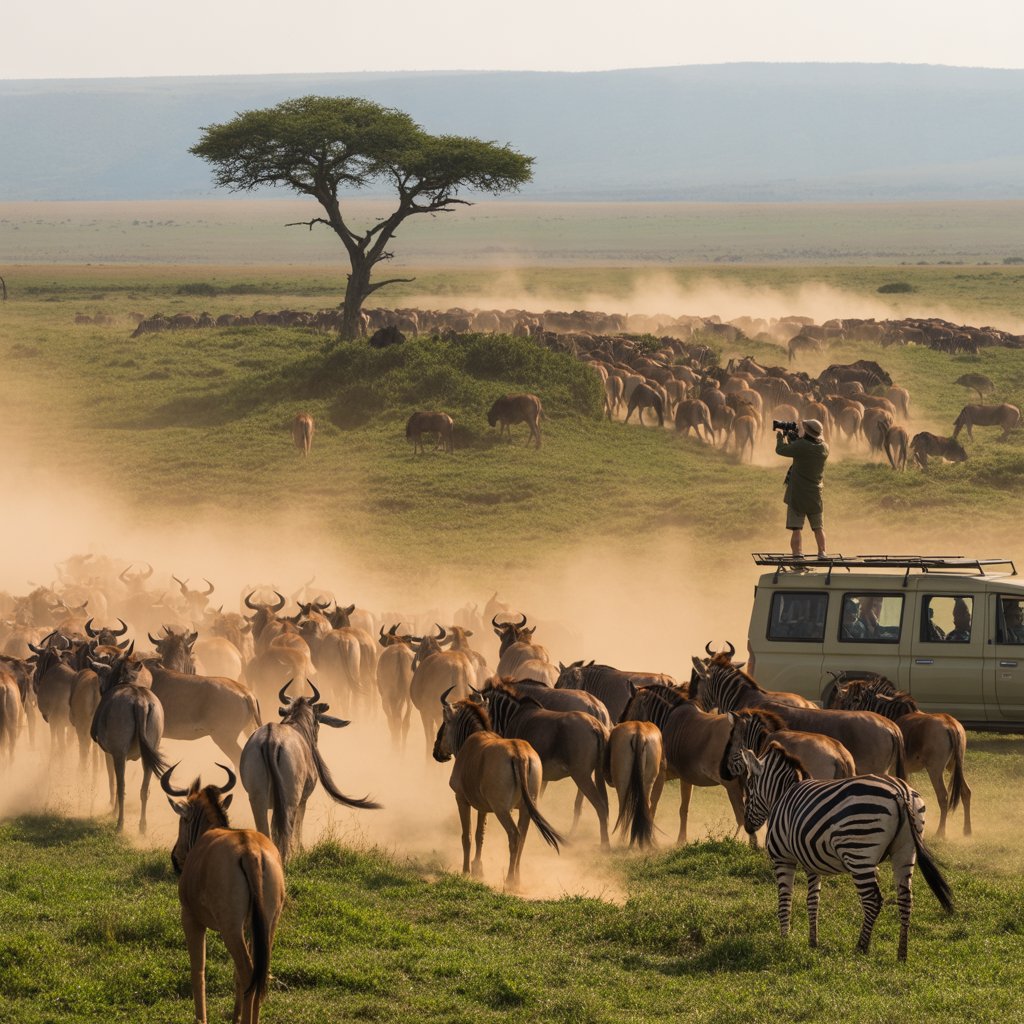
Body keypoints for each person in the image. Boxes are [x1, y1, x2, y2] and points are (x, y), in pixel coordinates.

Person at [776, 419, 828, 560]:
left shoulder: (801, 446)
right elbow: (806, 448)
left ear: (807, 431)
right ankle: (822, 553)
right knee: (818, 527)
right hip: (815, 495)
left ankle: (797, 554)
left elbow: (781, 450)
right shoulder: (824, 448)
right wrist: (797, 440)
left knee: (796, 528)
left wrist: (780, 437)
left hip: (797, 494)